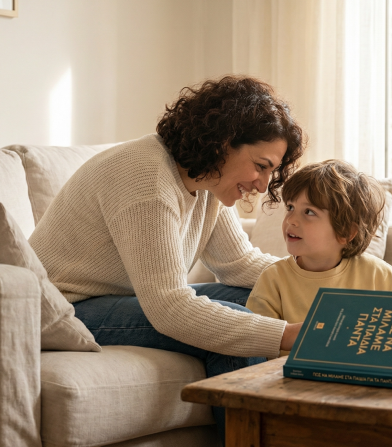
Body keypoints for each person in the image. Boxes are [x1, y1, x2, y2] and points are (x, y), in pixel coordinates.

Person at [28, 75, 306, 439]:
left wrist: (335, 284)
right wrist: (285, 334)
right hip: (65, 308)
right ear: (224, 142)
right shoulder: (146, 179)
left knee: (258, 298)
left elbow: (239, 264)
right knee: (240, 322)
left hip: (123, 299)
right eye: (260, 165)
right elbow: (169, 307)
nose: (262, 184)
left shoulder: (207, 179)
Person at [246, 159, 392, 328]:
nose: (291, 220)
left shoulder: (375, 273)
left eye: (309, 212)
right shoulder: (273, 279)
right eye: (290, 207)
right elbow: (257, 344)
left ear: (345, 232)